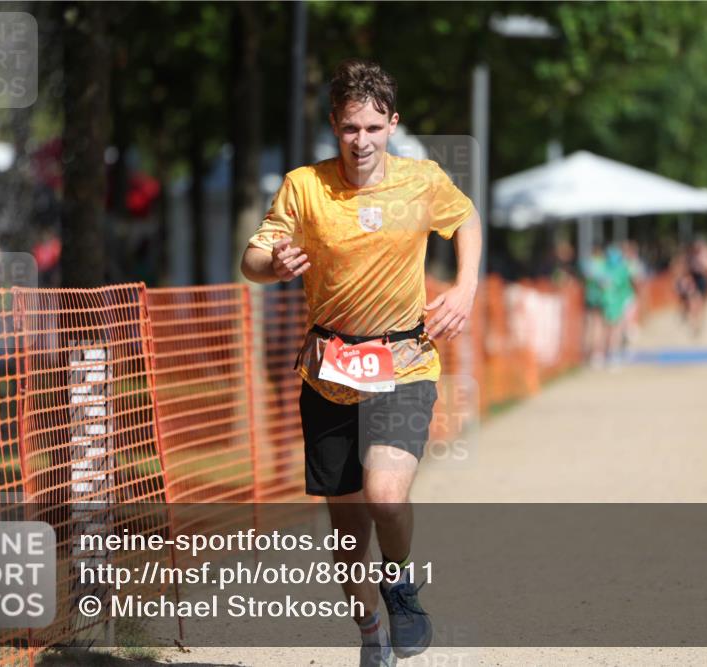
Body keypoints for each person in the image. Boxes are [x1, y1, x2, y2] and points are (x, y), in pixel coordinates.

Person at [240, 59, 481, 667]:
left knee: (386, 497)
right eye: (350, 128)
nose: (362, 141)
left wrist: (467, 286)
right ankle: (371, 631)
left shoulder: (422, 181)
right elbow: (253, 258)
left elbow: (468, 220)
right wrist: (275, 266)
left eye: (374, 128)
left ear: (392, 125)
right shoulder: (304, 186)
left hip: (403, 359)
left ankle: (399, 584)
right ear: (334, 126)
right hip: (329, 365)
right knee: (347, 533)